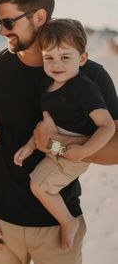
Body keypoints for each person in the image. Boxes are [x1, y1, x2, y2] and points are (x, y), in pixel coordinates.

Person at [0, 0, 118, 264]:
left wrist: (57, 144)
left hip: (59, 228)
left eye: (9, 22)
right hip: (0, 225)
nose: (2, 31)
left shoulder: (90, 75)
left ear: (40, 17)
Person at [13, 18, 115, 251]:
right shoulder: (49, 85)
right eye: (49, 57)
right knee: (39, 180)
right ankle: (66, 219)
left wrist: (84, 152)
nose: (56, 64)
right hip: (58, 149)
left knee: (38, 186)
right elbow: (45, 124)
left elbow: (107, 126)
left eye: (65, 57)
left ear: (82, 58)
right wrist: (30, 146)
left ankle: (68, 221)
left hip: (75, 152)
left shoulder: (85, 88)